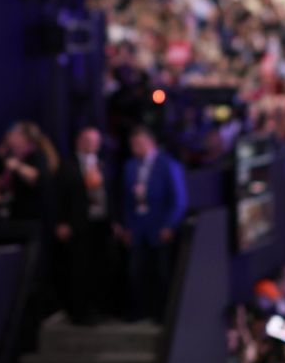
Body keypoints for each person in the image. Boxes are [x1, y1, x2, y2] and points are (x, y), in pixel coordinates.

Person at [120, 126, 187, 321]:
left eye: (139, 143)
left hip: (159, 227)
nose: (135, 148)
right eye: (132, 144)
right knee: (135, 272)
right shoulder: (129, 166)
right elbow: (125, 199)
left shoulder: (168, 165)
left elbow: (179, 200)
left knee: (161, 272)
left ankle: (161, 314)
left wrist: (169, 225)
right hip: (136, 228)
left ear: (151, 143)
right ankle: (137, 311)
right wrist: (126, 227)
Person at [56, 127, 115, 324]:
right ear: (79, 141)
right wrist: (62, 221)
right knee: (79, 268)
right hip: (78, 224)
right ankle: (80, 312)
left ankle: (101, 308)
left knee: (101, 266)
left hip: (101, 223)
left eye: (95, 141)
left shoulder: (103, 164)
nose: (91, 144)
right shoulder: (67, 165)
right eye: (87, 140)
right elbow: (59, 196)